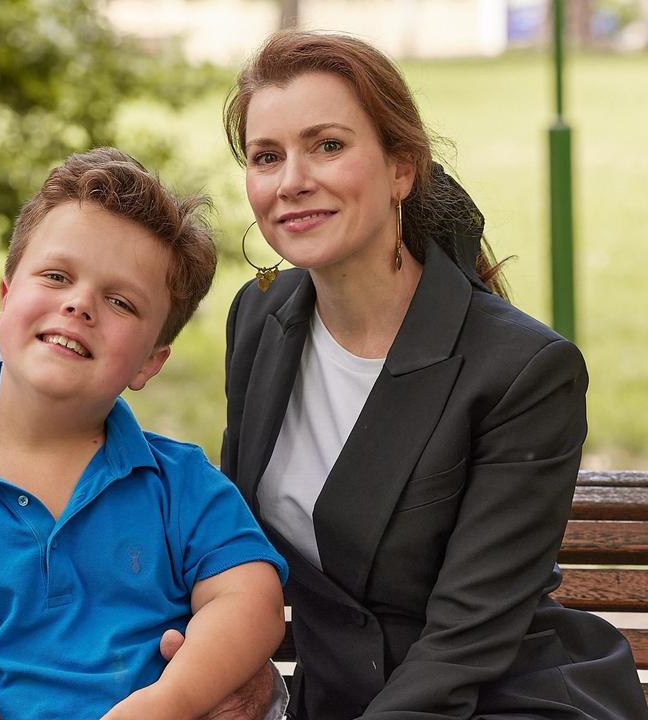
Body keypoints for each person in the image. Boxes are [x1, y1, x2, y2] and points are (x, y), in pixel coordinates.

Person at [218, 30, 647, 719]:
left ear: (401, 169)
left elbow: (464, 645)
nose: (292, 180)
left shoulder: (523, 371)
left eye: (327, 145)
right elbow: (233, 546)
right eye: (268, 156)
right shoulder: (260, 318)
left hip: (507, 702)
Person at [0, 148, 289, 720]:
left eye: (120, 301)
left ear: (149, 363)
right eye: (57, 276)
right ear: (6, 297)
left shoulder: (182, 485)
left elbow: (249, 598)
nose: (80, 304)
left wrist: (168, 703)